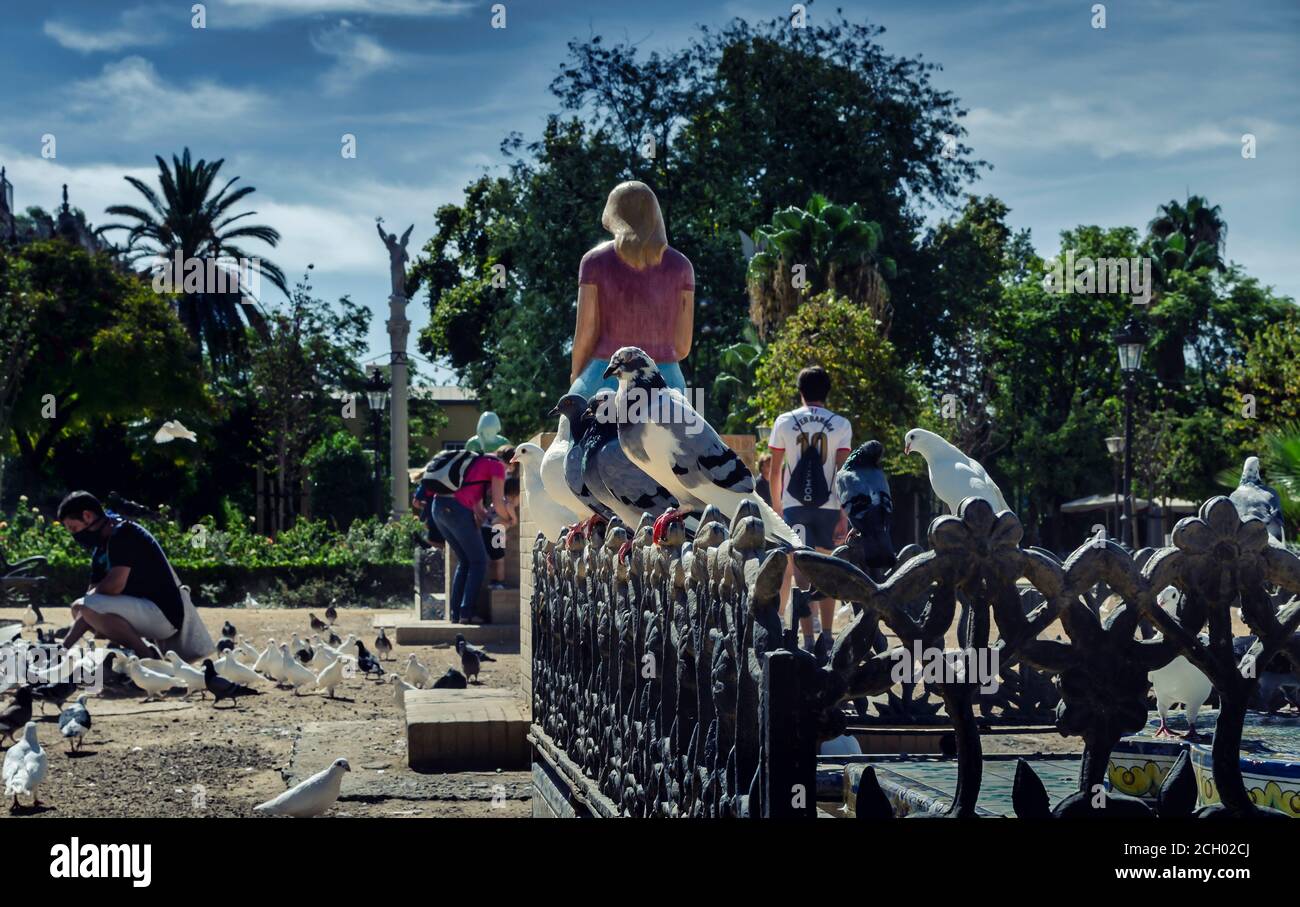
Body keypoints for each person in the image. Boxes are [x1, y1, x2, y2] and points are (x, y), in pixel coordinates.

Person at [568, 181, 695, 398]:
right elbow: (682, 346)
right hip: (666, 381)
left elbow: (586, 334)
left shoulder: (594, 261)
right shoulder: (681, 266)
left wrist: (576, 376)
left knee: (573, 428)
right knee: (679, 427)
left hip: (604, 377)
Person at [56, 491, 207, 659]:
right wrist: (63, 648)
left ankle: (147, 656)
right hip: (143, 612)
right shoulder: (101, 548)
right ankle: (140, 652)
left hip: (163, 615)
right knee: (79, 607)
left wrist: (93, 596)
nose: (74, 535)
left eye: (74, 528)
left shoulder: (124, 533)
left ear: (87, 516)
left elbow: (115, 586)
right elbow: (88, 605)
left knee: (87, 605)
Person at [768, 367, 852, 665]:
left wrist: (777, 509)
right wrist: (845, 514)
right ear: (827, 391)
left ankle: (805, 640)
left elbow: (775, 470)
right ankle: (827, 638)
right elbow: (843, 474)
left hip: (794, 507)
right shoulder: (841, 424)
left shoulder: (785, 421)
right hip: (829, 507)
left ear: (800, 390)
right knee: (827, 570)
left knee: (800, 573)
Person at [431, 452, 516, 624]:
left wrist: (486, 520)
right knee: (479, 562)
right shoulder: (498, 466)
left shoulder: (478, 461)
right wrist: (510, 520)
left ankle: (457, 614)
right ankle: (467, 613)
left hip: (438, 507)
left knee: (466, 561)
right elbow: (499, 503)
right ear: (511, 464)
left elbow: (477, 506)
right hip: (456, 510)